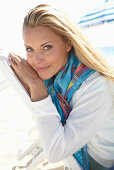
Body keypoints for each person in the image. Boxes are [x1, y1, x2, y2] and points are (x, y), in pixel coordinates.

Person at [8, 4, 114, 170]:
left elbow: (55, 153)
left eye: (47, 47)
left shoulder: (96, 86)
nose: (36, 60)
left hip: (101, 164)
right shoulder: (56, 78)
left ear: (68, 44)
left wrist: (37, 87)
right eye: (29, 49)